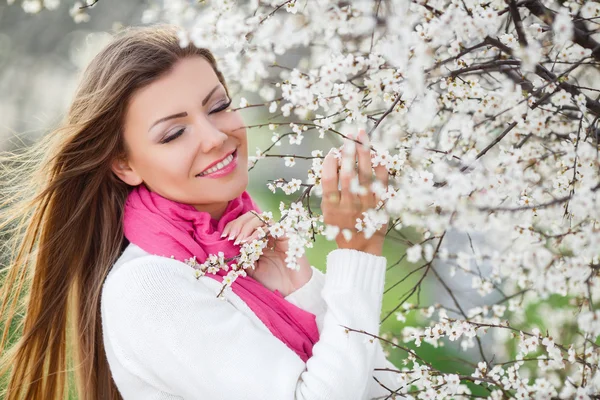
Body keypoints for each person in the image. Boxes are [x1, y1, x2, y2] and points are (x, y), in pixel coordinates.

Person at [0, 25, 400, 399]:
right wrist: (359, 250)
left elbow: (381, 386)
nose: (214, 137)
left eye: (218, 106)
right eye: (174, 133)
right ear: (124, 164)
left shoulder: (246, 252)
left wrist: (299, 287)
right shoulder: (148, 286)